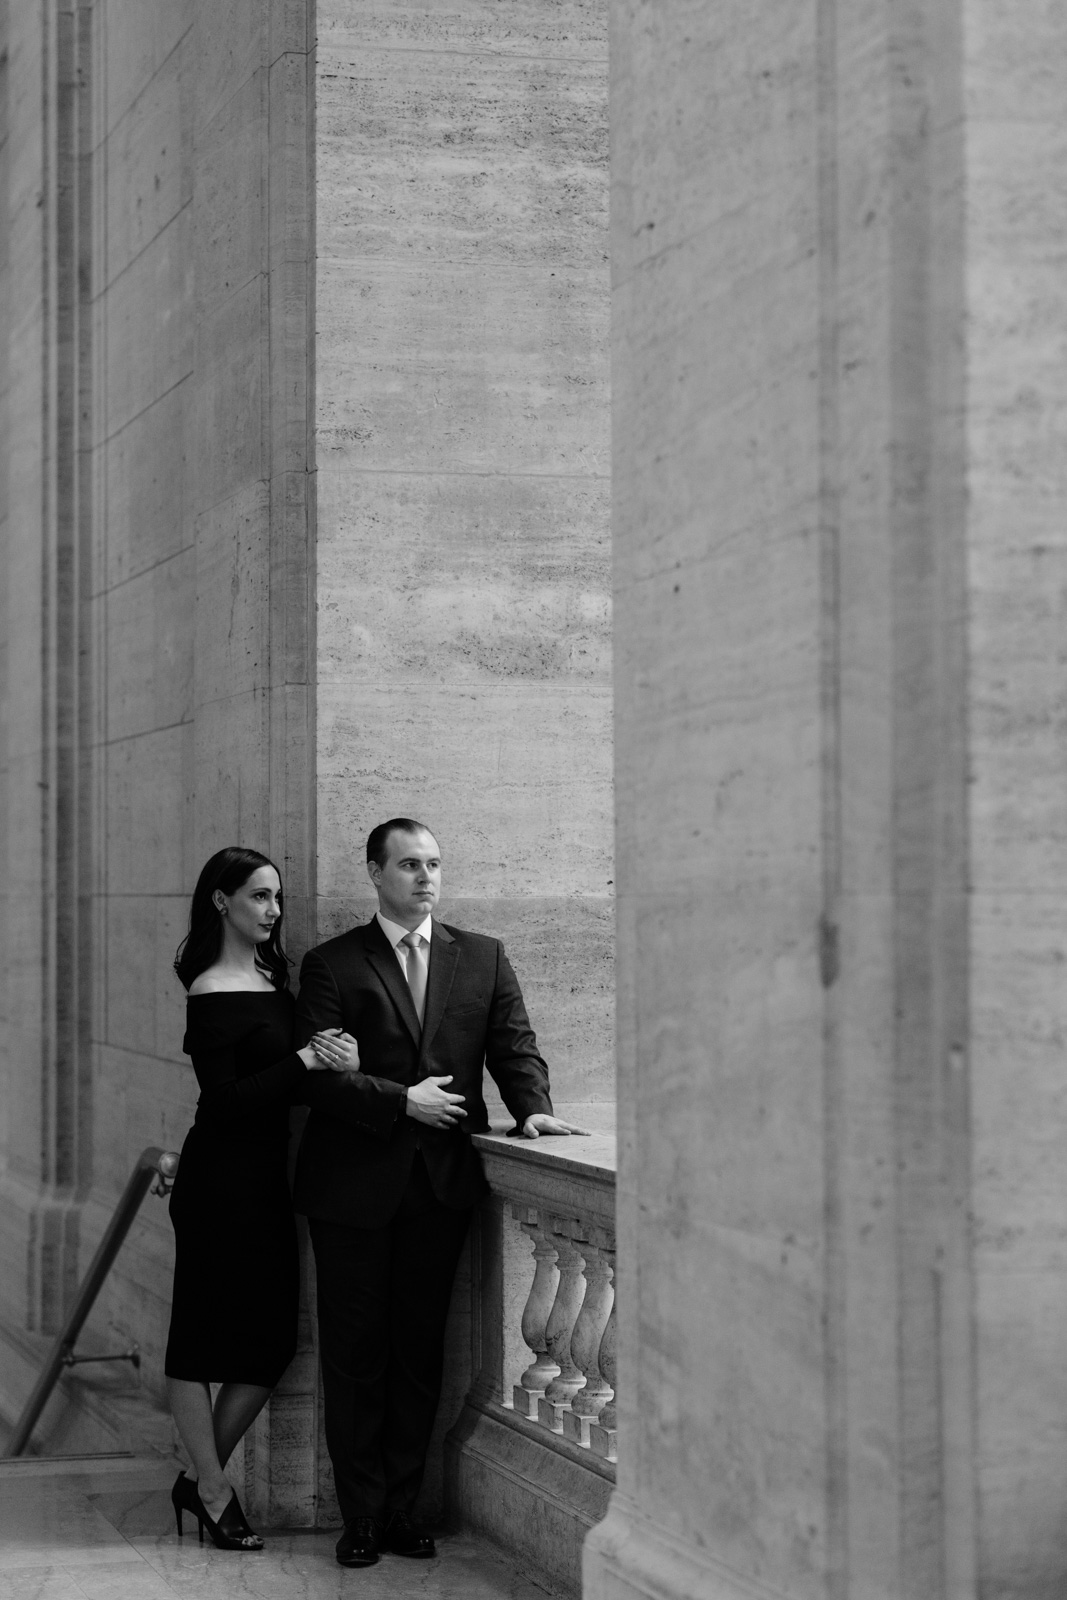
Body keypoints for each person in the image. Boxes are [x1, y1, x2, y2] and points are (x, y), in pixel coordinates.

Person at [293, 817, 586, 1568]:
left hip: (439, 1187)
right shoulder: (331, 964)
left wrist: (532, 1108)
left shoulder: (481, 956)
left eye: (433, 864)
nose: (425, 877)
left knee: (421, 1354)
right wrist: (401, 1100)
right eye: (408, 865)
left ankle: (401, 1510)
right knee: (355, 1357)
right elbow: (319, 1081)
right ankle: (358, 1517)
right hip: (351, 1190)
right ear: (374, 872)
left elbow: (512, 1045)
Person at [164, 846, 350, 1551]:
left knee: (270, 1345)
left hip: (264, 1181)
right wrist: (302, 1061)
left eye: (278, 900)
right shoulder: (210, 988)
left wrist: (333, 1059)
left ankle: (195, 1477)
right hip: (219, 1184)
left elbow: (288, 1084)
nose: (273, 912)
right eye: (259, 898)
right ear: (221, 901)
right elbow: (226, 1101)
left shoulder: (274, 979)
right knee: (198, 1342)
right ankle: (213, 1489)